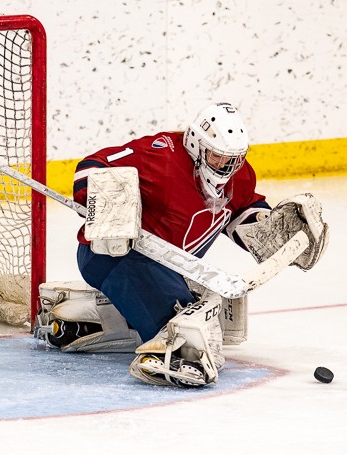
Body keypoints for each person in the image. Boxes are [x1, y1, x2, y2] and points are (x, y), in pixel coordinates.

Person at [70, 102, 328, 387]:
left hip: (170, 267)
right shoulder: (161, 156)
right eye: (218, 157)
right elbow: (92, 166)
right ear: (196, 144)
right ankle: (145, 330)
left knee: (205, 323)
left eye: (233, 158)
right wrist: (103, 202)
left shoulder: (239, 175)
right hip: (116, 258)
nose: (226, 166)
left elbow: (241, 210)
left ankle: (120, 321)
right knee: (187, 341)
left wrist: (273, 229)